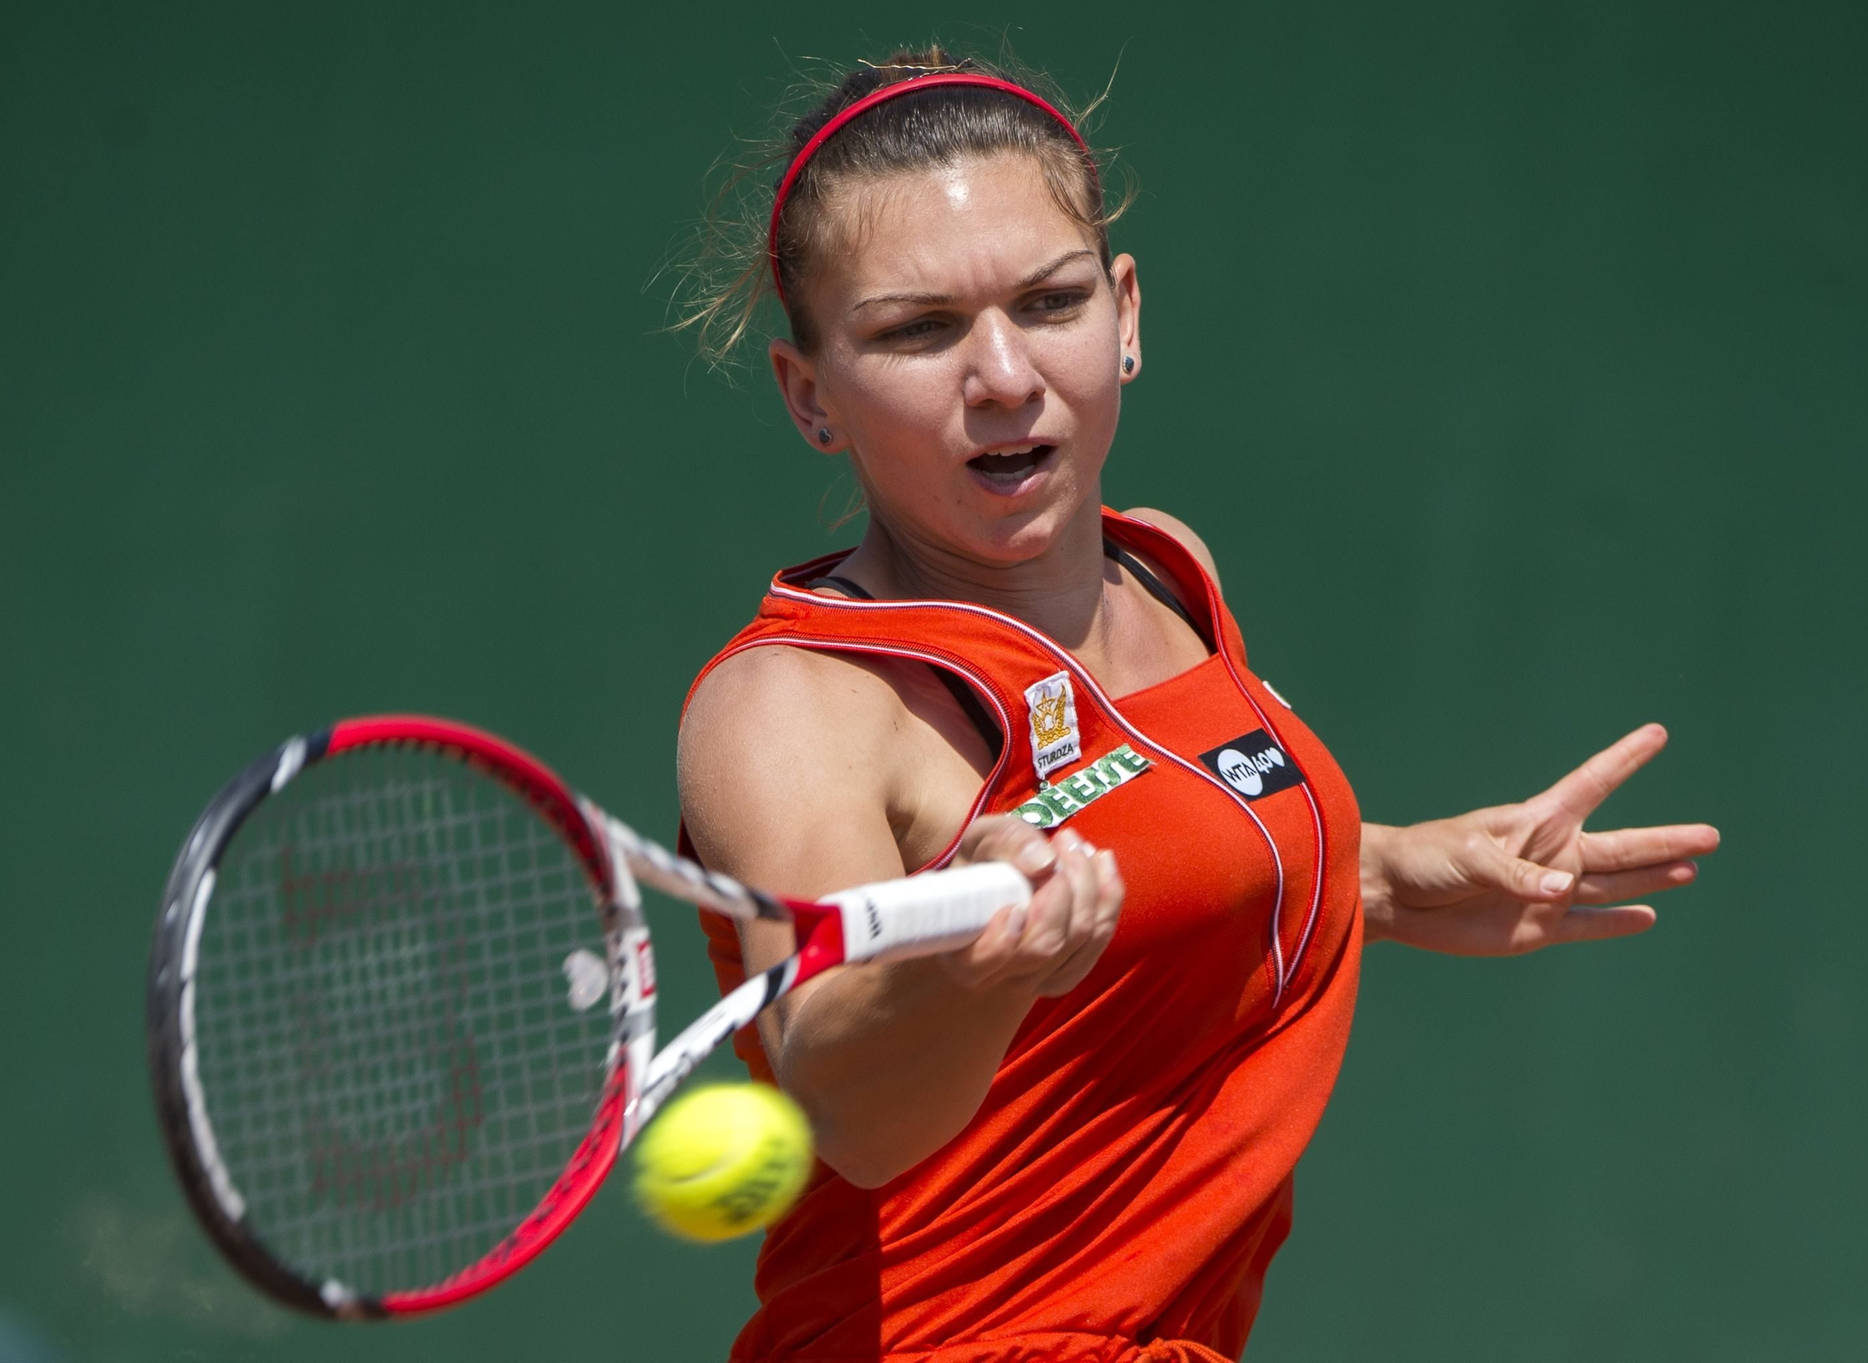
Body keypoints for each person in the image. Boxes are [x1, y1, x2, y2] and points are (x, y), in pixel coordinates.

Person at [674, 49, 1719, 1363]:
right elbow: (845, 1092)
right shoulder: (794, 708)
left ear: (1124, 314)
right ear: (811, 395)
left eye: (1048, 303)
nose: (1001, 373)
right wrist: (970, 972)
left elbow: (1173, 867)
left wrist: (1382, 877)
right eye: (918, 331)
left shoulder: (1168, 573)